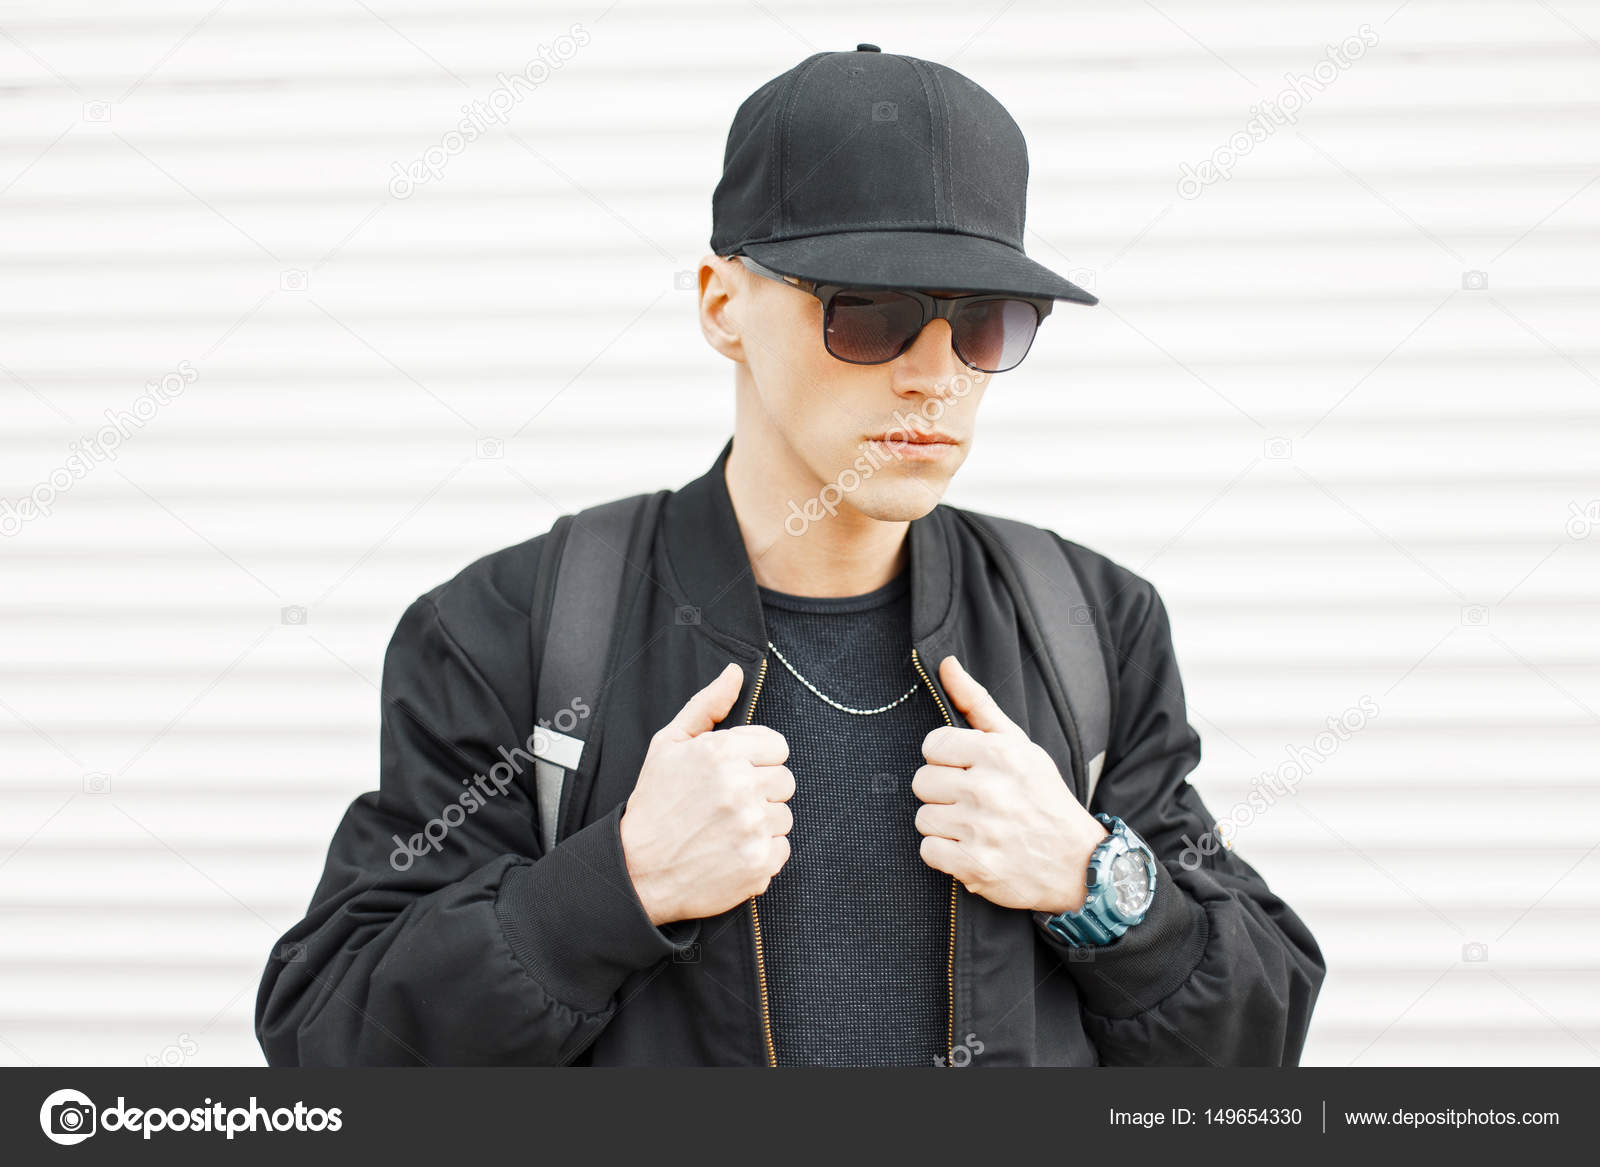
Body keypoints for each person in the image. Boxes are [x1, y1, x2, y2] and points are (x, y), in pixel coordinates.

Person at [256, 44, 1323, 1068]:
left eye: (985, 324)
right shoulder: (512, 625)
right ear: (723, 305)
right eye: (872, 315)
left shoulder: (1090, 622)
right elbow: (329, 1043)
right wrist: (612, 887)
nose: (933, 376)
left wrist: (1096, 883)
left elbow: (1251, 1042)